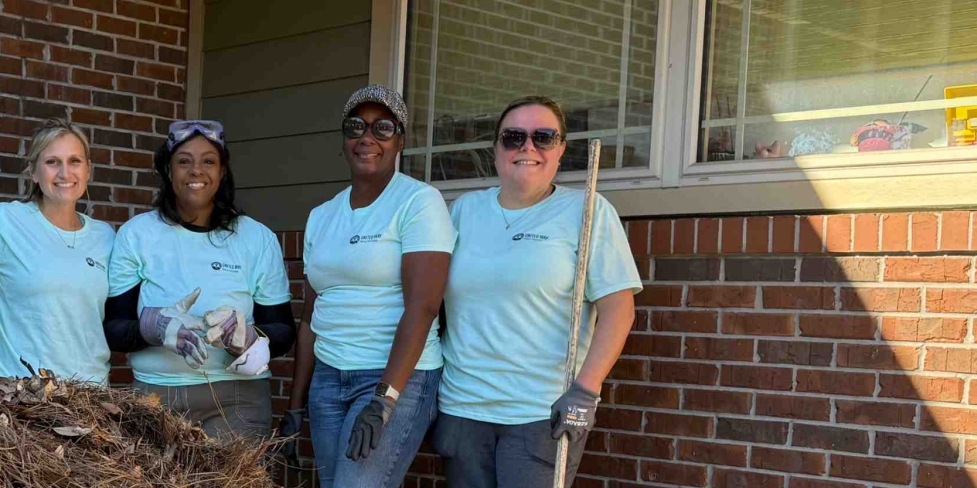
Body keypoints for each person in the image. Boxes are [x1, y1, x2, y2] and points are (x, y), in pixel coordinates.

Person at [433, 96, 640, 488]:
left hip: (541, 413)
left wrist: (586, 391)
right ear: (496, 149)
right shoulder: (463, 211)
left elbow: (619, 311)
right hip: (463, 408)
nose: (527, 147)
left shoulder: (588, 210)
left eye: (543, 137)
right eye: (513, 137)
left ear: (560, 149)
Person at [288, 85, 453, 487]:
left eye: (382, 127)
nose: (367, 137)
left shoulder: (419, 202)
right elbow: (311, 316)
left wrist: (385, 398)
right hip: (328, 379)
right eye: (355, 126)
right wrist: (295, 407)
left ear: (400, 140)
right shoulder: (322, 216)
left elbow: (423, 307)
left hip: (394, 377)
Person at [102, 119, 295, 438]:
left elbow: (284, 330)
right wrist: (154, 327)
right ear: (168, 171)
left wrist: (249, 337)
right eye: (183, 161)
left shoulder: (256, 238)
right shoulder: (137, 234)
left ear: (222, 172)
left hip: (237, 402)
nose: (196, 171)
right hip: (154, 401)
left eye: (208, 161)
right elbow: (114, 329)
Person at [0, 119, 116, 383]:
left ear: (88, 171)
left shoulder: (105, 237)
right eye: (52, 162)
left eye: (75, 161)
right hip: (16, 395)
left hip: (90, 394)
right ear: (33, 173)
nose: (65, 173)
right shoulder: (2, 221)